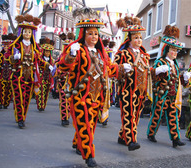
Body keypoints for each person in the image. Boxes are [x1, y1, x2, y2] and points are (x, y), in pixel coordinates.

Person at [58, 7, 127, 167]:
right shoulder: (78, 50)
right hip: (80, 96)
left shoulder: (101, 53)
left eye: (96, 33)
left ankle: (78, 143)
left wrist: (123, 68)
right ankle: (89, 156)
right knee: (85, 124)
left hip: (97, 97)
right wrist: (71, 56)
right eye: (90, 33)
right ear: (83, 35)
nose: (94, 36)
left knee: (90, 125)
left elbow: (109, 70)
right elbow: (63, 67)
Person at [5, 14, 53, 129]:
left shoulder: (35, 47)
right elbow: (6, 58)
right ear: (22, 32)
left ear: (32, 34)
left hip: (30, 76)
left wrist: (48, 66)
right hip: (18, 75)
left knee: (26, 98)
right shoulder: (15, 45)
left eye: (29, 32)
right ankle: (20, 119)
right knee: (19, 97)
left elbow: (39, 61)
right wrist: (13, 58)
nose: (27, 34)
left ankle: (22, 116)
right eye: (25, 32)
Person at [147, 25, 191, 147]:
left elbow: (179, 81)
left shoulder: (175, 65)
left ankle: (175, 139)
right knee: (157, 115)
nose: (175, 53)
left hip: (172, 96)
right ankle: (151, 133)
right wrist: (157, 70)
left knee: (173, 117)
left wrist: (184, 78)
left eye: (176, 51)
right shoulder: (160, 61)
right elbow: (152, 73)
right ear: (167, 50)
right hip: (161, 94)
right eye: (173, 50)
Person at [114, 15, 152, 151]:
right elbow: (114, 69)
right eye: (136, 37)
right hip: (127, 89)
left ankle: (122, 136)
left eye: (140, 37)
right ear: (129, 39)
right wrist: (124, 67)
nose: (139, 40)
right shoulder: (123, 53)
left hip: (141, 90)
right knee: (129, 114)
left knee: (135, 115)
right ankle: (131, 140)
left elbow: (148, 72)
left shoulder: (145, 55)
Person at [0, 33, 17, 109]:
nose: (6, 47)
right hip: (1, 74)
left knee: (9, 90)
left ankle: (6, 103)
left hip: (10, 74)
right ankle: (0, 103)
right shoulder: (0, 55)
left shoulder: (13, 55)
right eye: (5, 46)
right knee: (0, 89)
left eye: (7, 46)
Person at [55, 32, 75, 126]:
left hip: (72, 81)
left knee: (71, 100)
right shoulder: (60, 57)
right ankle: (64, 118)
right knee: (63, 99)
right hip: (63, 81)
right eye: (66, 46)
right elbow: (56, 67)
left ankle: (69, 116)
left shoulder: (75, 57)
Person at [36, 37, 54, 111]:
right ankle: (40, 105)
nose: (47, 53)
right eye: (46, 51)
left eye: (48, 52)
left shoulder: (52, 60)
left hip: (48, 78)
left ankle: (44, 105)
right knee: (40, 92)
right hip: (41, 77)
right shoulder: (40, 59)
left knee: (46, 92)